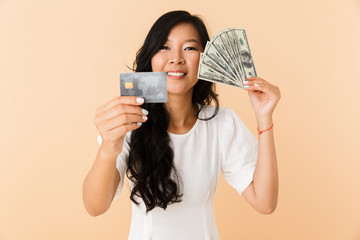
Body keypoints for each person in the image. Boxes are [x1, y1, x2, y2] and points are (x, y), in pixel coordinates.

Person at [82, 10, 280, 240]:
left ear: (208, 60)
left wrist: (264, 118)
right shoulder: (128, 123)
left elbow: (265, 203)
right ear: (151, 58)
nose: (176, 58)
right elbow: (95, 207)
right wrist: (108, 147)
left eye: (190, 48)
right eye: (164, 47)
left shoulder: (222, 123)